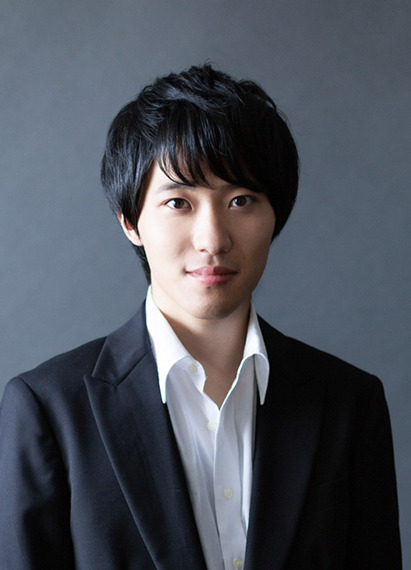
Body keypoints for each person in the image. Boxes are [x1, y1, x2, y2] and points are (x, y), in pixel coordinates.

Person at [0, 64, 401, 569]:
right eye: (178, 202)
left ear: (276, 214)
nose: (213, 239)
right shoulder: (49, 408)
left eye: (241, 200)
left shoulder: (348, 403)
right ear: (130, 221)